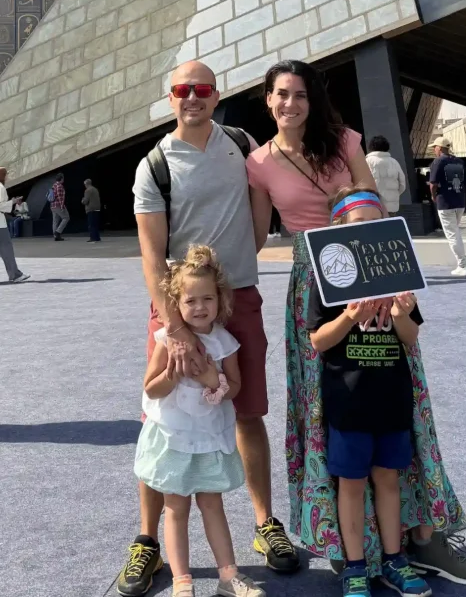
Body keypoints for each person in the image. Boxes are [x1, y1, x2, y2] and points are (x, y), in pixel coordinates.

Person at [247, 61, 466, 585]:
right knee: (326, 411)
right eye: (282, 95)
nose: (291, 104)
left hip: (370, 267)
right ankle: (346, 543)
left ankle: (420, 536)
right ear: (267, 99)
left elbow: (368, 203)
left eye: (301, 95)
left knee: (398, 396)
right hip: (312, 283)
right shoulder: (258, 162)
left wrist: (373, 275)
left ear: (313, 100)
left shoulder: (345, 140)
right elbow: (258, 233)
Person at [120, 60, 298, 597]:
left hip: (238, 295)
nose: (191, 97)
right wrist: (173, 325)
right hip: (179, 304)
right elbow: (152, 255)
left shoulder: (241, 144)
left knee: (246, 411)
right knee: (163, 417)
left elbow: (266, 207)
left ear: (216, 95)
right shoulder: (154, 165)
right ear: (169, 97)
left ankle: (266, 524)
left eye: (201, 89)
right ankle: (147, 543)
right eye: (181, 90)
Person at [309, 188, 428, 597]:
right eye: (358, 223)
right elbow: (319, 341)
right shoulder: (328, 277)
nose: (368, 231)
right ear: (339, 228)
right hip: (348, 402)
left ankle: (395, 560)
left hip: (391, 397)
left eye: (375, 221)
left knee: (389, 479)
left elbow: (410, 339)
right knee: (352, 484)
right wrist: (349, 315)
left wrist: (398, 314)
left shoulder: (399, 276)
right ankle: (355, 566)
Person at [134, 244, 266, 597]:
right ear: (175, 303)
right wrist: (173, 377)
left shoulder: (226, 343)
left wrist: (214, 382)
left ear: (220, 301)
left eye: (207, 299)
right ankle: (182, 581)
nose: (199, 307)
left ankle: (229, 576)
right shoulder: (167, 341)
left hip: (208, 436)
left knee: (212, 504)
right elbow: (150, 388)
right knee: (175, 508)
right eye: (190, 301)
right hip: (174, 436)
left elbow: (235, 388)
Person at [428, 140, 466, 278]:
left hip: (445, 203)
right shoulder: (459, 162)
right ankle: (462, 263)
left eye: (434, 147)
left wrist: (433, 196)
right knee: (456, 233)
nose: (434, 149)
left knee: (452, 235)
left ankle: (463, 264)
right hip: (460, 202)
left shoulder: (437, 162)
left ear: (440, 148)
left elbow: (433, 183)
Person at [364, 136, 407, 215]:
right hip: (392, 207)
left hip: (374, 205)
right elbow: (402, 185)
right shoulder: (394, 162)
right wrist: (394, 195)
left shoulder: (367, 161)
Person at [50, 172, 69, 240]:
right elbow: (60, 198)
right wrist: (62, 207)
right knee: (66, 218)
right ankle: (58, 232)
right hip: (58, 205)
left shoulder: (54, 185)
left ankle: (56, 236)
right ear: (61, 178)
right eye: (63, 178)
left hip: (52, 206)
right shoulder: (60, 186)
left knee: (55, 221)